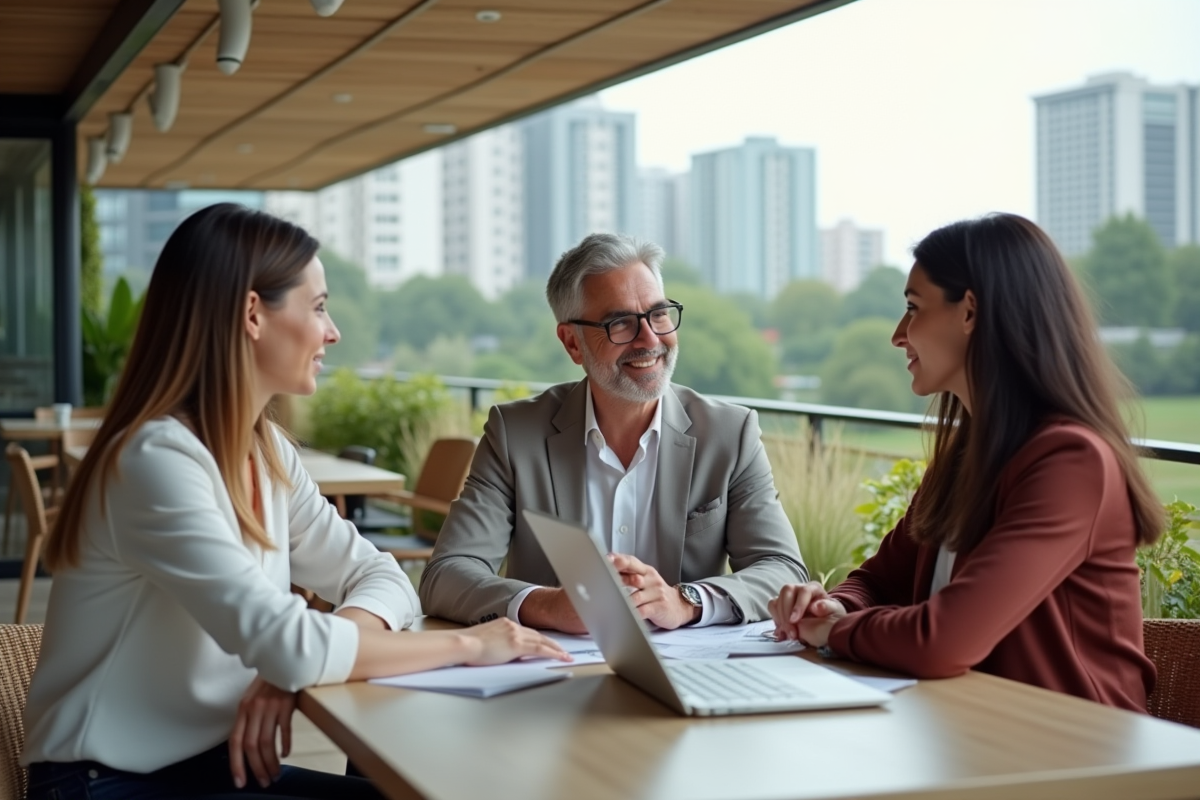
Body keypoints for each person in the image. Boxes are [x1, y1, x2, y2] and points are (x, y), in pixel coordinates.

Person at [21, 204, 568, 800]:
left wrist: (308, 657)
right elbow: (289, 644)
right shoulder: (155, 461)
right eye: (318, 306)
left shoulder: (266, 451)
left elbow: (379, 574)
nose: (332, 332)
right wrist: (471, 643)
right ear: (253, 314)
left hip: (211, 765)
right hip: (107, 783)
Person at [768, 213, 1162, 711]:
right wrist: (833, 603)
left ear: (970, 311)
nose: (898, 334)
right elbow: (878, 580)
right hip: (969, 728)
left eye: (913, 308)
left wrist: (834, 630)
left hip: (1073, 752)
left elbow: (943, 641)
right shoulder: (966, 456)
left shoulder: (1071, 461)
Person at [420, 232, 807, 633]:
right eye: (619, 322)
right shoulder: (515, 434)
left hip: (689, 673)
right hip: (553, 675)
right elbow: (445, 576)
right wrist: (548, 605)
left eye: (658, 314)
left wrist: (686, 601)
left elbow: (782, 570)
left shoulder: (730, 434)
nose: (650, 339)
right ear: (572, 342)